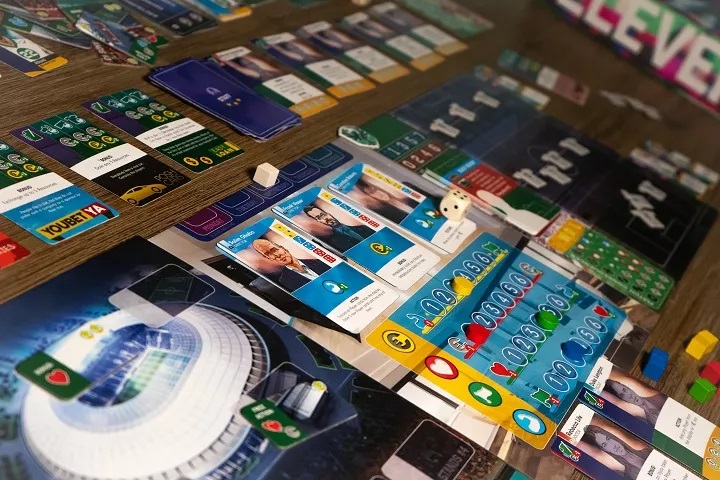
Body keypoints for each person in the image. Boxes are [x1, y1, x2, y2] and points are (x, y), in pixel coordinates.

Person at [252, 239, 329, 291]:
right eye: (268, 254)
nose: (276, 255)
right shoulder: (285, 281)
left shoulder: (318, 261)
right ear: (268, 258)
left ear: (283, 248)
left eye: (274, 250)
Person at [582, 424, 651, 479]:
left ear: (613, 436)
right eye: (605, 444)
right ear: (604, 449)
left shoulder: (642, 445)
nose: (613, 446)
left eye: (608, 438)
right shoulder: (627, 473)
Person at [302, 205, 374, 251]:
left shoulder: (360, 224)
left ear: (329, 213)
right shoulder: (334, 242)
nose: (326, 218)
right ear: (318, 221)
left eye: (323, 214)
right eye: (319, 217)